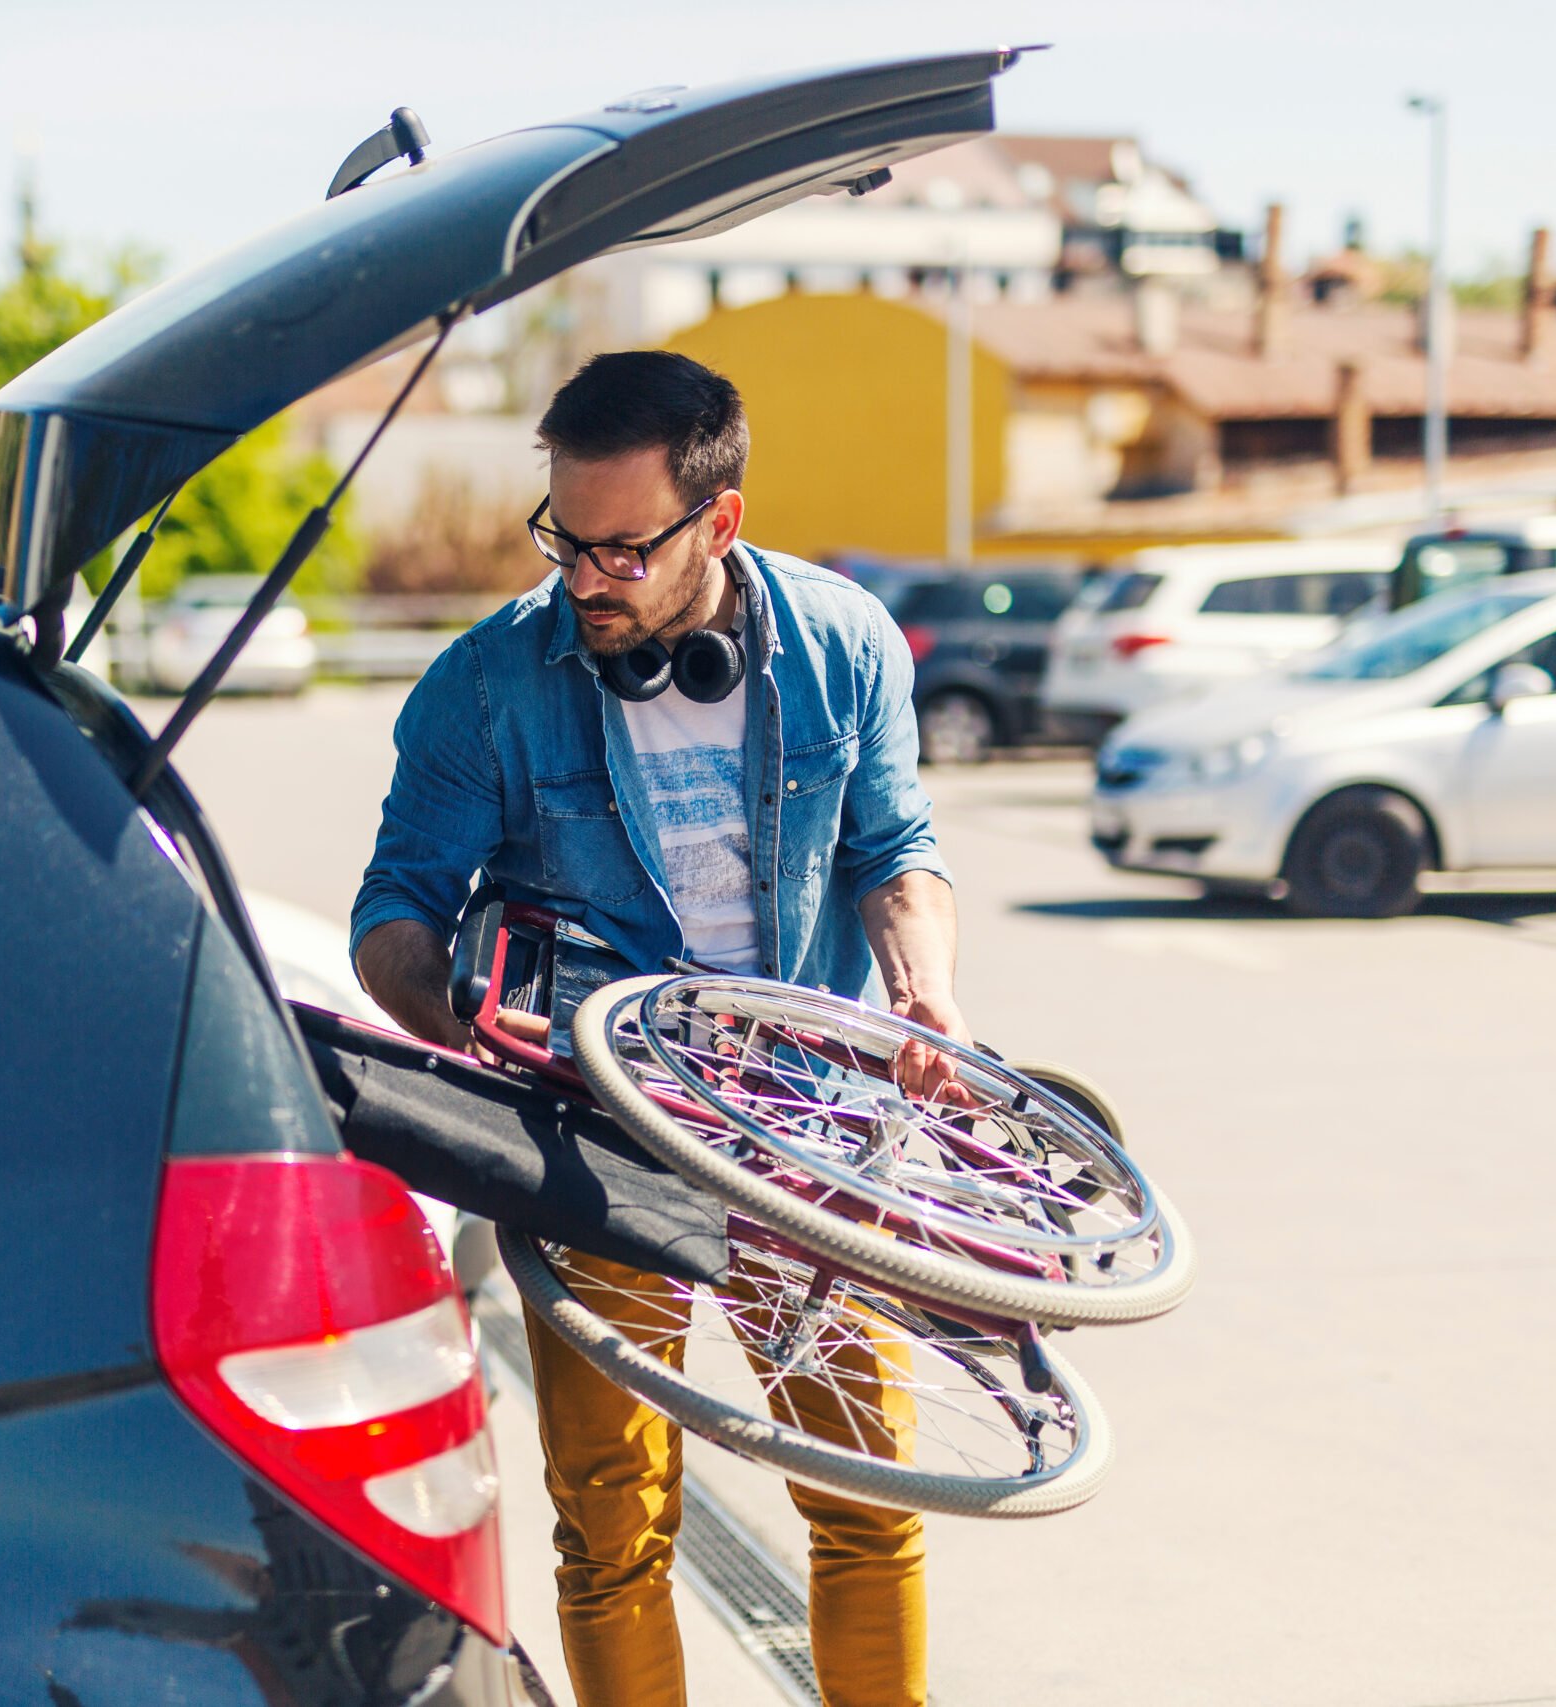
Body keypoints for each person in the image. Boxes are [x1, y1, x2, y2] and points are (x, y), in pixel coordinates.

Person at [349, 350, 965, 1707]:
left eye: (626, 548)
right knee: (614, 1531)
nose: (586, 577)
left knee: (872, 1493)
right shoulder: (488, 683)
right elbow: (393, 905)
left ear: (721, 520)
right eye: (565, 539)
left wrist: (923, 988)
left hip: (808, 1122)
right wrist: (454, 1020)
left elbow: (894, 847)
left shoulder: (845, 643)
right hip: (592, 1136)